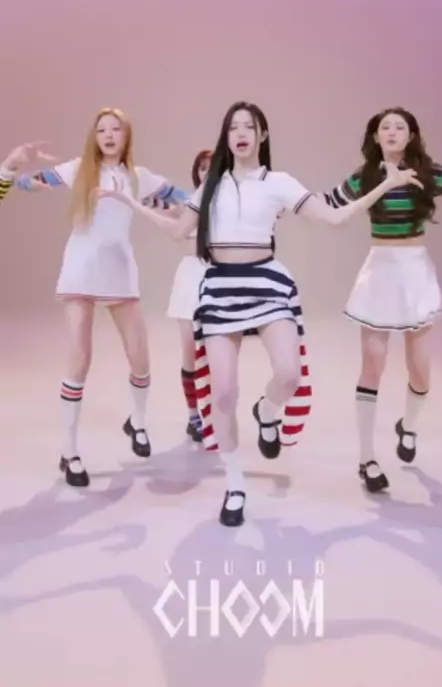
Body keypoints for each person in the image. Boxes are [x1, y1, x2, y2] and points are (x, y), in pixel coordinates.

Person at [96, 101, 420, 526]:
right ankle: (234, 484)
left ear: (262, 135)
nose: (241, 133)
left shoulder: (278, 182)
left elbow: (335, 218)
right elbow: (177, 231)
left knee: (289, 374)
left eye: (249, 126)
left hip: (267, 282)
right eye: (234, 127)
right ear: (226, 137)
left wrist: (384, 186)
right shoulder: (211, 185)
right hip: (220, 287)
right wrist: (131, 202)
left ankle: (268, 412)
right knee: (223, 393)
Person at [15, 107, 189, 487]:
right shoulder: (79, 168)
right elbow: (27, 183)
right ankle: (69, 451)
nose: (109, 135)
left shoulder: (139, 177)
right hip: (82, 268)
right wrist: (21, 173)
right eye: (102, 130)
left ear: (127, 136)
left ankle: (137, 422)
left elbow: (185, 199)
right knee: (79, 359)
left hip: (120, 271)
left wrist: (191, 203)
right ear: (94, 137)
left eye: (116, 129)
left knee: (140, 357)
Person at [323, 107, 442, 494]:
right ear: (376, 136)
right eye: (385, 127)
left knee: (421, 372)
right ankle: (366, 459)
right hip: (380, 272)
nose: (392, 132)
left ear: (411, 136)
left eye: (400, 127)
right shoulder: (364, 177)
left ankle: (408, 427)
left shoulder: (429, 173)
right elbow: (326, 205)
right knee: (372, 366)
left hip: (415, 274)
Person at [166, 149, 212, 442]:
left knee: (218, 355)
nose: (207, 171)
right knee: (190, 352)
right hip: (191, 277)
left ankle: (212, 414)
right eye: (202, 167)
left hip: (221, 278)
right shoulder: (187, 202)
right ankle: (194, 416)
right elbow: (166, 211)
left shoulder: (231, 202)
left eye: (212, 167)